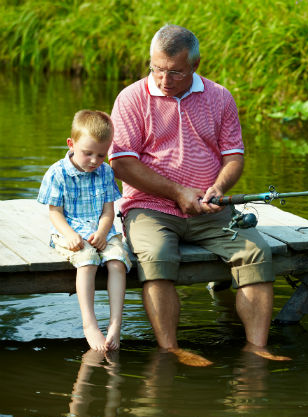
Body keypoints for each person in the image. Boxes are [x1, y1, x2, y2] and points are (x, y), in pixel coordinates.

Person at [108, 24, 288, 365]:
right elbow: (122, 163)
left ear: (196, 64)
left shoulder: (219, 97)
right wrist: (177, 192)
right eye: (156, 69)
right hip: (149, 206)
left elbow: (234, 155)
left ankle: (256, 347)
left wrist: (218, 188)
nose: (163, 79)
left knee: (257, 252)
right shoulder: (131, 98)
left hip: (211, 208)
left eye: (174, 72)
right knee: (158, 257)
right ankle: (171, 349)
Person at [38, 110, 131, 352]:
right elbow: (55, 213)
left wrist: (102, 232)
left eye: (101, 155)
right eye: (87, 153)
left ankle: (115, 325)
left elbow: (109, 211)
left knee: (117, 261)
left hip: (103, 230)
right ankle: (89, 324)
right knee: (87, 259)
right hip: (70, 230)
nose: (93, 160)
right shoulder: (57, 173)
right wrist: (69, 235)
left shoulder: (106, 172)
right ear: (71, 144)